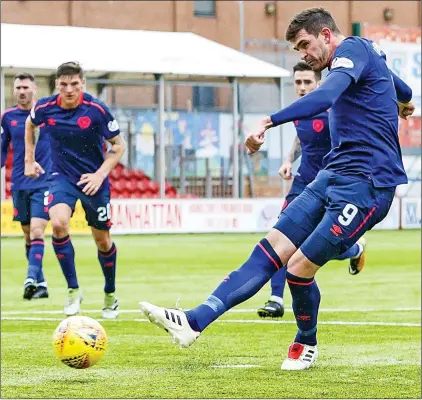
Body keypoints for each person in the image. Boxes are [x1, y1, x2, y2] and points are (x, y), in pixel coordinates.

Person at [139, 7, 414, 370]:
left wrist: (270, 120)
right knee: (269, 249)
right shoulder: (367, 55)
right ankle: (193, 321)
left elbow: (327, 96)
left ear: (327, 35)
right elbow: (404, 88)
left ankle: (305, 343)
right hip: (331, 175)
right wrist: (405, 101)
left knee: (298, 269)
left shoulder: (352, 52)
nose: (303, 55)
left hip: (368, 184)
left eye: (305, 45)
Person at [257, 62, 366, 319]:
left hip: (332, 185)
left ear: (319, 83)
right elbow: (300, 139)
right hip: (303, 182)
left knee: (325, 247)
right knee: (280, 236)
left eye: (307, 82)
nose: (302, 88)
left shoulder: (333, 110)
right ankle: (275, 299)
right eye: (298, 82)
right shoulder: (297, 111)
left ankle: (356, 250)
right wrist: (287, 160)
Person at [24, 61, 126, 319]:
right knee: (58, 225)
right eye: (63, 84)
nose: (69, 89)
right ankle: (73, 290)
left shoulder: (96, 110)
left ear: (83, 84)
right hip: (61, 177)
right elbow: (30, 123)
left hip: (94, 179)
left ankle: (110, 293)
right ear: (57, 85)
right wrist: (29, 158)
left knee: (102, 240)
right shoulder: (46, 107)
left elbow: (119, 145)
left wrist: (100, 174)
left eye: (74, 84)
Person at [1, 73, 51, 300]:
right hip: (20, 184)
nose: (22, 91)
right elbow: (2, 149)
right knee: (28, 236)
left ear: (35, 90)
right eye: (18, 87)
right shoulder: (7, 117)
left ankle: (30, 279)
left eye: (25, 87)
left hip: (44, 183)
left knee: (37, 231)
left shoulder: (47, 114)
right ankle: (41, 284)